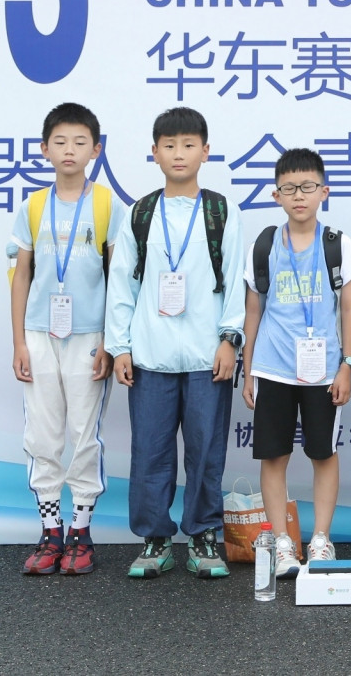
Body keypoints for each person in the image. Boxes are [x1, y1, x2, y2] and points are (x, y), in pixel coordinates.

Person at [106, 106, 244, 580]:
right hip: (150, 355)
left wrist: (230, 339)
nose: (179, 153)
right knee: (150, 452)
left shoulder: (221, 211)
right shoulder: (140, 214)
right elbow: (121, 285)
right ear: (155, 153)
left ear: (206, 151)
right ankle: (155, 539)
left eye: (188, 145)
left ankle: (203, 536)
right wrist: (120, 347)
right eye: (169, 145)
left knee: (206, 451)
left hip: (208, 356)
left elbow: (236, 281)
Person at [240, 147, 351, 579]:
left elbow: (350, 309)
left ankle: (321, 539)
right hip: (273, 367)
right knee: (274, 456)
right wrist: (248, 371)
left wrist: (347, 364)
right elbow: (252, 311)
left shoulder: (338, 244)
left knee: (323, 453)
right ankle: (283, 542)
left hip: (324, 371)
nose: (299, 196)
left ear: (323, 192)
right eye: (289, 188)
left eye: (308, 187)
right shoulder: (264, 246)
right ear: (276, 195)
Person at [8, 103, 116, 576]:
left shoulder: (107, 204)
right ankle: (50, 531)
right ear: (44, 148)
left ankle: (81, 532)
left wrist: (112, 341)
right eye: (60, 141)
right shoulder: (33, 205)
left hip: (89, 333)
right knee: (42, 434)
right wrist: (18, 341)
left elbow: (119, 279)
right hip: (39, 333)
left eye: (79, 142)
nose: (69, 150)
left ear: (96, 149)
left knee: (84, 435)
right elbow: (21, 275)